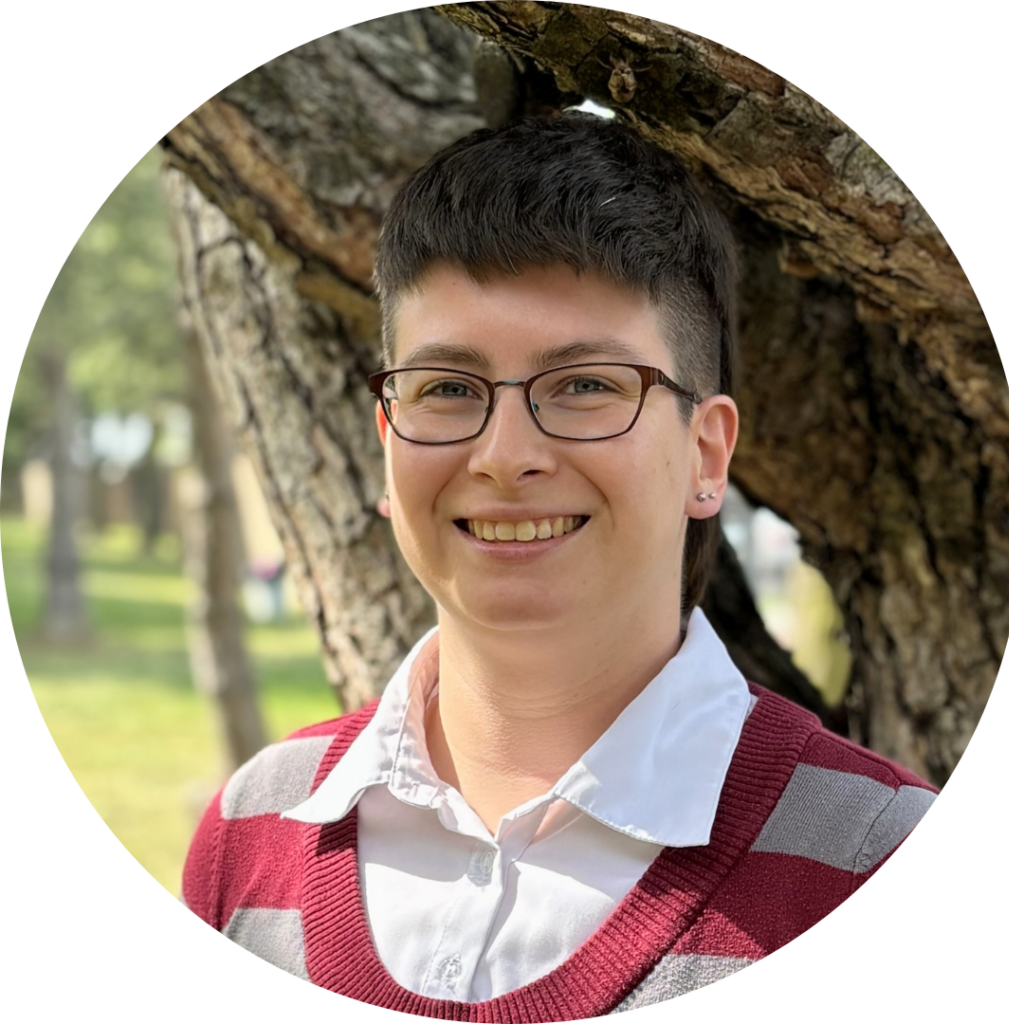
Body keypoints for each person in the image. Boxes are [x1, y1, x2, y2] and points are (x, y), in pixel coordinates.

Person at [181, 113, 939, 1014]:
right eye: (449, 389)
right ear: (388, 442)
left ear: (706, 455)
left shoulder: (868, 852)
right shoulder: (253, 827)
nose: (505, 456)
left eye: (584, 386)